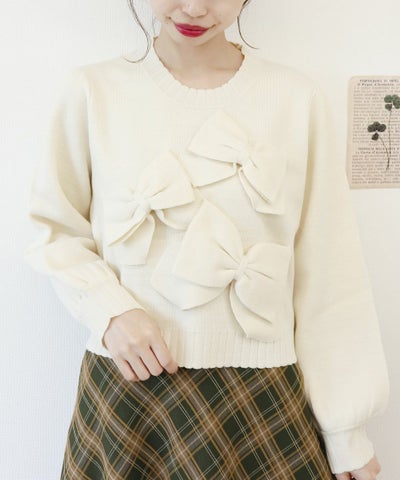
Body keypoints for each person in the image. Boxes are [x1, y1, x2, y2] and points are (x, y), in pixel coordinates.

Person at [24, 1, 390, 479]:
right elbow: (53, 228)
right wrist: (109, 311)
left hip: (261, 399)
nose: (195, 8)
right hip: (131, 395)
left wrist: (346, 434)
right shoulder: (93, 90)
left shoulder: (295, 98)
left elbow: (329, 272)